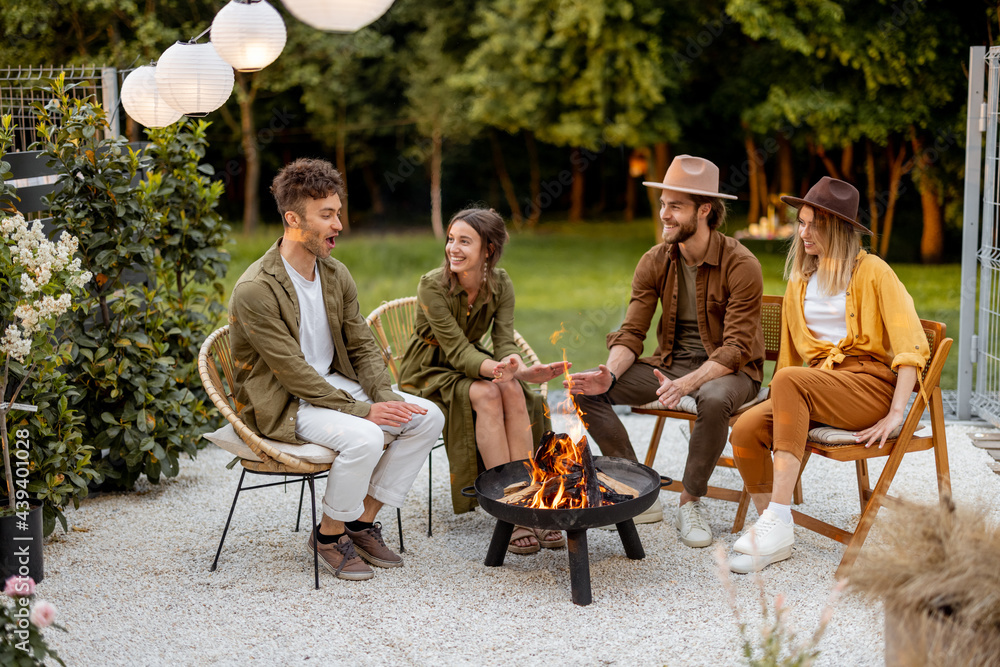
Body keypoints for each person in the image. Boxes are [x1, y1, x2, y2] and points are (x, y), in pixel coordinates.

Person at [228, 158, 445, 581]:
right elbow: (292, 374)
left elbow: (362, 344)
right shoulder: (255, 289)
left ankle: (360, 523)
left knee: (426, 417)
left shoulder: (335, 273)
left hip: (331, 387)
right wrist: (364, 413)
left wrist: (383, 398)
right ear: (293, 219)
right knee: (365, 435)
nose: (339, 224)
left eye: (338, 212)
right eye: (326, 215)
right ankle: (328, 537)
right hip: (285, 400)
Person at [727, 177, 929, 573]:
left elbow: (911, 346)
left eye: (812, 225)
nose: (802, 232)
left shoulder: (873, 271)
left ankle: (777, 517)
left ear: (836, 228)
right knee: (746, 429)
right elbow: (788, 360)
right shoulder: (800, 281)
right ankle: (775, 527)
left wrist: (896, 414)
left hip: (871, 388)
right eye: (800, 223)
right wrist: (773, 400)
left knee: (789, 382)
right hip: (821, 386)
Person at [565, 155, 765, 547]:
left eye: (675, 206)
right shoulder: (655, 260)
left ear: (704, 209)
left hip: (733, 373)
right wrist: (610, 372)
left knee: (711, 399)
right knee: (584, 388)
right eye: (663, 204)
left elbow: (736, 348)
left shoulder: (742, 264)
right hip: (670, 365)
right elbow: (632, 332)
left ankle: (690, 501)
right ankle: (636, 489)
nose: (664, 215)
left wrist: (687, 383)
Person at [399, 208, 571, 554]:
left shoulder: (501, 283)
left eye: (465, 241)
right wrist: (498, 370)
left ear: (488, 250)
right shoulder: (432, 285)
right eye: (451, 239)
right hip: (428, 370)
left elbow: (504, 340)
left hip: (474, 362)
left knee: (512, 389)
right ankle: (509, 509)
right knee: (489, 395)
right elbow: (458, 351)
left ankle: (530, 495)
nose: (453, 249)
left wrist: (518, 369)